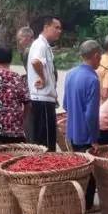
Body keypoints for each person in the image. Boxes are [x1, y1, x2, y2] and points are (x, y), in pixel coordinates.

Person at [64, 40, 102, 211]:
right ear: (95, 56)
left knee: (77, 170)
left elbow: (65, 105)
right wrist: (94, 138)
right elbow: (91, 114)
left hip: (72, 132)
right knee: (89, 171)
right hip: (85, 134)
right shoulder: (93, 79)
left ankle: (77, 202)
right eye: (99, 56)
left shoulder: (71, 74)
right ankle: (86, 205)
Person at [27, 16, 62, 151]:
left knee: (47, 139)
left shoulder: (45, 45)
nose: (59, 31)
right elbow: (36, 61)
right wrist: (43, 78)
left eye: (60, 29)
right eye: (56, 27)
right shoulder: (40, 44)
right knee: (45, 143)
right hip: (42, 100)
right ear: (46, 27)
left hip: (46, 99)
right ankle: (46, 169)